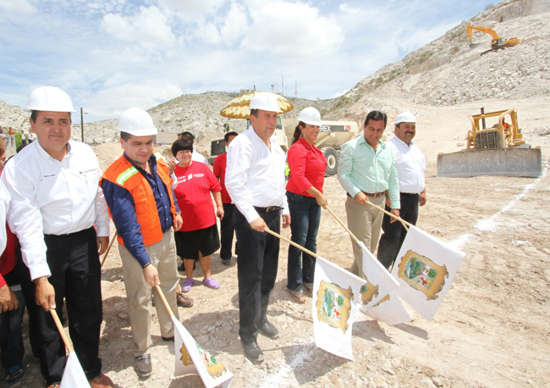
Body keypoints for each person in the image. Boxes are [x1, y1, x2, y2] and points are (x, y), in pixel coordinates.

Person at [1, 86, 114, 388]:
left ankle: (89, 370)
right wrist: (39, 276)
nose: (57, 128)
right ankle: (57, 377)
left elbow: (98, 194)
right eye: (48, 121)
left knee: (88, 309)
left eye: (63, 121)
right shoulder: (20, 167)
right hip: (43, 245)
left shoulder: (85, 153)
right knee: (47, 314)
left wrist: (101, 229)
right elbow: (25, 223)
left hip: (82, 242)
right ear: (33, 125)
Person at [101, 107, 188, 379]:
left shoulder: (158, 163)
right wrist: (145, 262)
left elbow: (166, 192)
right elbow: (127, 227)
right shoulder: (116, 178)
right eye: (136, 143)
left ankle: (169, 330)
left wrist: (175, 213)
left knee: (170, 286)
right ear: (123, 142)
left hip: (166, 238)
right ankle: (142, 349)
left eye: (148, 142)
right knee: (140, 299)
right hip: (139, 249)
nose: (144, 148)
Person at [225, 92, 290, 363]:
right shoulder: (243, 143)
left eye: (275, 117)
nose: (272, 122)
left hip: (272, 217)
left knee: (269, 274)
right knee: (251, 277)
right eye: (267, 116)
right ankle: (247, 332)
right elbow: (234, 183)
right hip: (252, 219)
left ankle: (261, 317)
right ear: (252, 117)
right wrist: (252, 216)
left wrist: (284, 208)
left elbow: (279, 182)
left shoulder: (276, 144)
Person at [337, 110, 400, 279]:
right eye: (371, 129)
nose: (374, 134)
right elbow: (343, 174)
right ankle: (366, 288)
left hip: (379, 203)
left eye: (379, 130)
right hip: (359, 204)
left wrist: (395, 205)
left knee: (370, 246)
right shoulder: (352, 147)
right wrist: (356, 192)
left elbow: (392, 178)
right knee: (363, 248)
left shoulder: (387, 150)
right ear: (364, 126)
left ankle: (354, 278)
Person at [285, 107, 327, 303]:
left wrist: (318, 196)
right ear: (301, 127)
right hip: (299, 200)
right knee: (299, 241)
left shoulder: (314, 149)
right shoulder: (297, 149)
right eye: (311, 126)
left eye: (317, 127)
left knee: (311, 240)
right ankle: (294, 283)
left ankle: (309, 280)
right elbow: (298, 178)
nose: (315, 130)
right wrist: (318, 194)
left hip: (313, 200)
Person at [171, 139, 223, 292]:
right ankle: (189, 279)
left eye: (188, 151)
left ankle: (208, 277)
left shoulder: (202, 168)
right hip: (184, 221)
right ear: (176, 155)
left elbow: (215, 187)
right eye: (182, 152)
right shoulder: (172, 173)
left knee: (205, 250)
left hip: (205, 219)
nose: (186, 154)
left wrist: (219, 206)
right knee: (187, 252)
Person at [377, 112, 426, 269]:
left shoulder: (415, 149)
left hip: (413, 200)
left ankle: (399, 270)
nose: (410, 130)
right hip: (396, 199)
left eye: (412, 127)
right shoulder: (390, 148)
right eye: (406, 127)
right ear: (396, 128)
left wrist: (422, 191)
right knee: (392, 236)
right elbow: (385, 174)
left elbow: (420, 170)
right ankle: (382, 271)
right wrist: (391, 201)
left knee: (407, 236)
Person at [213, 131, 239, 265]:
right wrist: (219, 203)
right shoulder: (220, 159)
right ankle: (225, 255)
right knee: (227, 229)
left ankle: (241, 252)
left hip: (242, 201)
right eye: (232, 141)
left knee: (243, 230)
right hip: (227, 201)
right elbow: (215, 181)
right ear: (226, 143)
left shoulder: (245, 157)